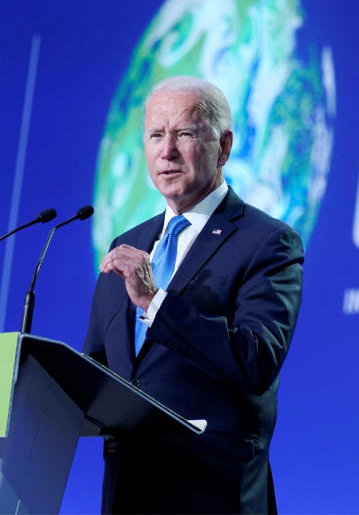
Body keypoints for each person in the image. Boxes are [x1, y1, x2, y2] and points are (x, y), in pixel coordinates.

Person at [84, 76, 304, 514]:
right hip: (128, 490)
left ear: (223, 146)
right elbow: (95, 370)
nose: (166, 151)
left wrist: (155, 302)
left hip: (213, 491)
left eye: (184, 134)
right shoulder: (126, 247)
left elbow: (255, 359)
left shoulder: (268, 242)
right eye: (155, 135)